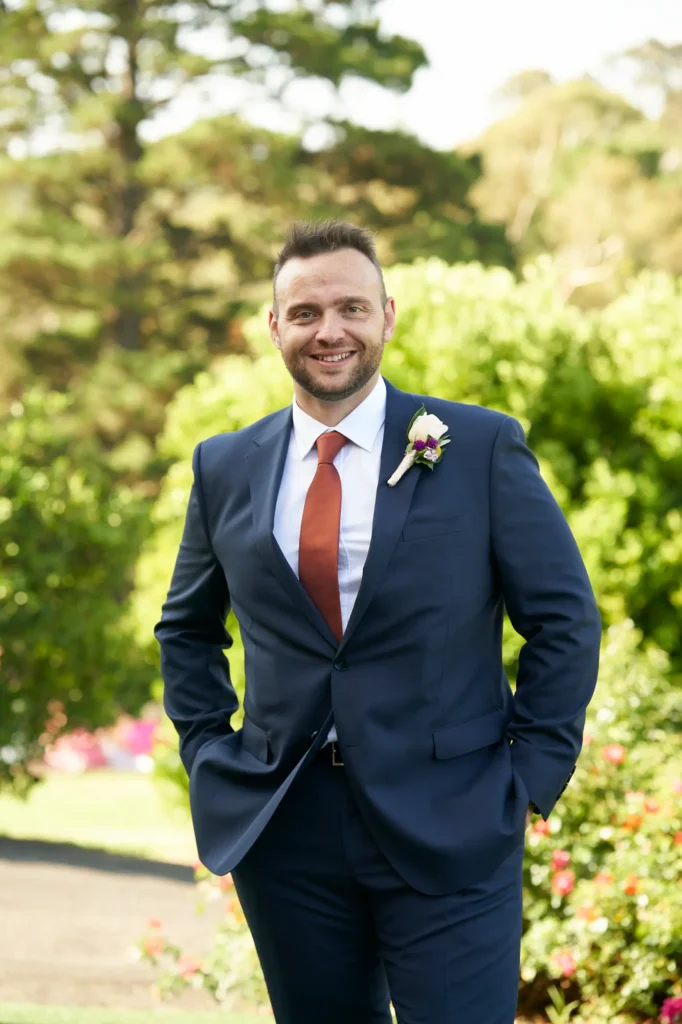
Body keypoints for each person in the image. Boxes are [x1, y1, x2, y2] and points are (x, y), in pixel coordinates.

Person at [155, 220, 601, 1024]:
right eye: (306, 312)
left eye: (352, 308)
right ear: (275, 327)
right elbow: (187, 628)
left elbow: (564, 619)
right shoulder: (223, 467)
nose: (330, 331)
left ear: (387, 316)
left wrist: (530, 776)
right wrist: (208, 751)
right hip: (286, 831)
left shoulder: (478, 447)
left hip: (455, 817)